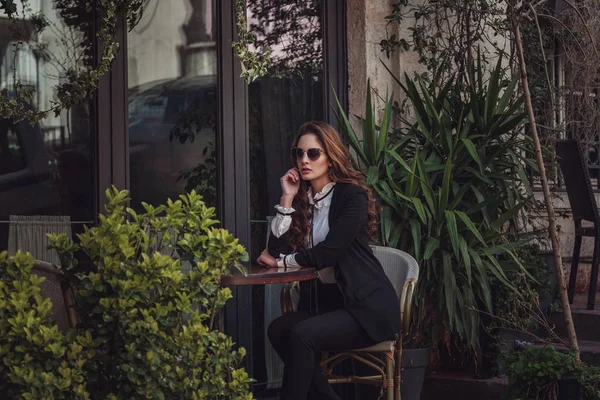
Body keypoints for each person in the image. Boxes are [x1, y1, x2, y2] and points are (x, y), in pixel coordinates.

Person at [257, 121, 401, 400]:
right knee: (279, 329)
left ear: (331, 155)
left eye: (313, 153)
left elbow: (330, 252)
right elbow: (275, 250)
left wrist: (281, 263)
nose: (304, 161)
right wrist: (286, 199)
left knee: (301, 335)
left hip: (366, 308)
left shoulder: (352, 196)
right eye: (299, 153)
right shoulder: (301, 198)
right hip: (329, 304)